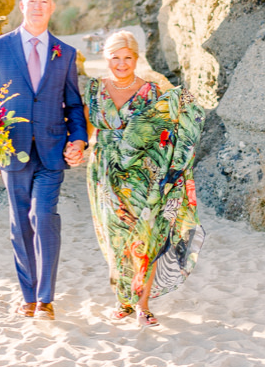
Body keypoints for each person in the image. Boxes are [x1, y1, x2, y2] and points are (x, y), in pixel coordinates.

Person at [72, 30, 205, 327]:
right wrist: (77, 146)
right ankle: (123, 301)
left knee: (145, 235)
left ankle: (143, 305)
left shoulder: (152, 91)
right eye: (115, 58)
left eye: (127, 58)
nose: (121, 64)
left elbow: (170, 130)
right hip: (105, 173)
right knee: (116, 237)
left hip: (143, 174)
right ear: (107, 58)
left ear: (136, 58)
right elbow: (88, 129)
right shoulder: (94, 90)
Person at [0, 0, 87, 320]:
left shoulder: (65, 53)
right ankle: (27, 295)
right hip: (12, 149)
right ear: (22, 5)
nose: (38, 5)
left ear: (52, 6)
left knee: (44, 217)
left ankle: (45, 298)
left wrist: (79, 140)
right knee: (20, 223)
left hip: (52, 150)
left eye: (45, 0)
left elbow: (73, 104)